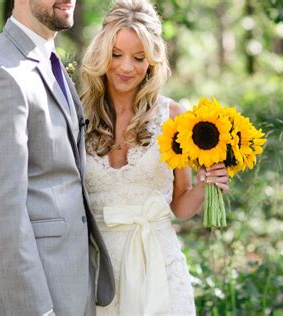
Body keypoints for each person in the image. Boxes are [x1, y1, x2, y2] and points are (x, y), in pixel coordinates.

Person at [80, 0, 229, 314]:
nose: (125, 67)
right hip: (98, 274)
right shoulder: (78, 115)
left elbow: (180, 206)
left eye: (138, 57)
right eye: (116, 54)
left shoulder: (172, 116)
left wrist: (206, 184)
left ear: (152, 60)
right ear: (101, 53)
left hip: (160, 267)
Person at [0, 0, 115, 315]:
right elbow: (0, 210)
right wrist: (37, 310)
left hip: (68, 280)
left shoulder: (46, 58)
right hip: (34, 295)